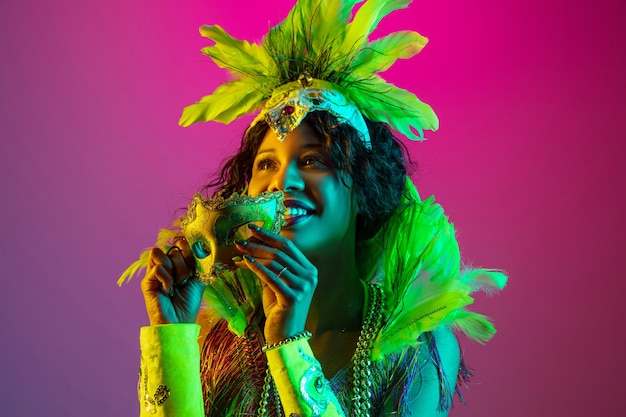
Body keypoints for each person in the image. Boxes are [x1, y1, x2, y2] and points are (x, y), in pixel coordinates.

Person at [119, 1, 507, 416]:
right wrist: (173, 334)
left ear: (363, 189)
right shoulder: (220, 342)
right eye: (266, 164)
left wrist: (288, 343)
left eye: (312, 161)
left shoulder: (415, 344)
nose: (282, 183)